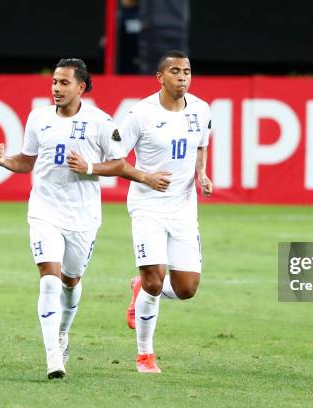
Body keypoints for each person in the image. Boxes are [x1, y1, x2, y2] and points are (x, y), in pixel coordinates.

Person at [0, 58, 170, 380]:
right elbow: (27, 161)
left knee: (71, 281)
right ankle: (53, 356)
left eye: (63, 83)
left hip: (83, 217)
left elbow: (118, 164)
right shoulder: (39, 118)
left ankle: (63, 331)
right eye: (54, 82)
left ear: (81, 87)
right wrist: (5, 160)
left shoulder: (100, 122)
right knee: (49, 278)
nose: (56, 88)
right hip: (44, 211)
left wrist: (90, 166)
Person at [120, 49, 213, 373]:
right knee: (155, 283)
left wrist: (201, 173)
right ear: (160, 77)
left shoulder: (201, 110)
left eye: (187, 71)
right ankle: (145, 355)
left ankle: (139, 286)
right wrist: (145, 176)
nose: (182, 77)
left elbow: (201, 143)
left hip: (184, 209)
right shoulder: (140, 114)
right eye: (175, 72)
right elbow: (117, 157)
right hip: (147, 205)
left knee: (186, 289)